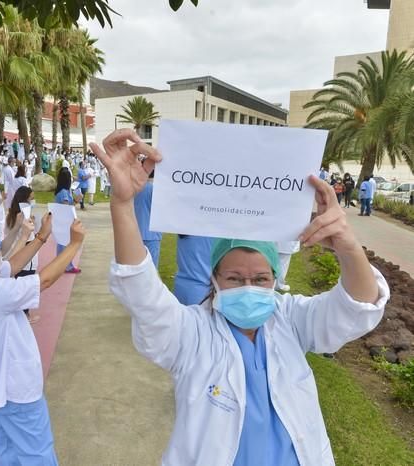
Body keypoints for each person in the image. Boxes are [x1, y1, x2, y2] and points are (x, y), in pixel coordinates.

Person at [91, 128, 389, 466]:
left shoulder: (291, 320)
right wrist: (122, 204)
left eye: (261, 279)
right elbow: (140, 292)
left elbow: (357, 308)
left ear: (276, 279)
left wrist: (348, 246)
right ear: (214, 280)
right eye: (234, 278)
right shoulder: (190, 334)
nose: (249, 286)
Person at [0, 214, 84, 465]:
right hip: (14, 388)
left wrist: (42, 237)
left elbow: (10, 266)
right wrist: (74, 245)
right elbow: (43, 280)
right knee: (37, 452)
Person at [3, 186, 42, 324]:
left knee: (26, 284)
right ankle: (23, 317)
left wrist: (34, 222)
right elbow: (10, 236)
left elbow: (34, 232)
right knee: (22, 286)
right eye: (31, 198)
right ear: (24, 200)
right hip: (21, 254)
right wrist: (21, 226)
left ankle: (26, 314)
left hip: (29, 254)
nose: (33, 201)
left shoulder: (28, 215)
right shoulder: (15, 216)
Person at [54, 169, 81, 274]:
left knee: (62, 244)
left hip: (61, 221)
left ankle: (61, 265)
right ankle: (66, 266)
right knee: (66, 245)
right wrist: (76, 201)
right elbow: (67, 208)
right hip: (65, 221)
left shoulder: (60, 191)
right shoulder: (65, 193)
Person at [133, 171, 162, 267]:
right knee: (152, 268)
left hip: (136, 232)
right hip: (152, 235)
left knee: (136, 267)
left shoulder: (135, 187)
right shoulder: (155, 189)